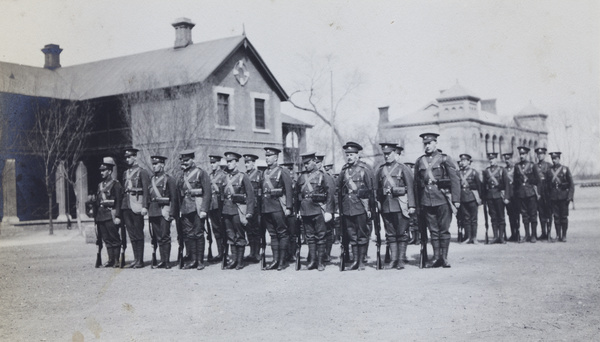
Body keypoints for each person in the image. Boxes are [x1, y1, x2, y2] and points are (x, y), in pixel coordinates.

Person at [413, 133, 460, 268]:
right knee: (433, 230)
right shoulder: (419, 161)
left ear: (435, 143)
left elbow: (455, 180)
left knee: (444, 229)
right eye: (425, 144)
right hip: (426, 200)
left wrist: (456, 199)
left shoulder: (444, 159)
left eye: (429, 143)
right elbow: (416, 184)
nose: (427, 146)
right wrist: (417, 203)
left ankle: (444, 258)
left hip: (443, 198)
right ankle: (436, 257)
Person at [375, 143, 415, 269]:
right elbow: (377, 189)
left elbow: (410, 188)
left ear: (395, 153)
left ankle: (401, 259)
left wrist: (412, 205)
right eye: (385, 154)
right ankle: (393, 260)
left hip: (400, 204)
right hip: (386, 206)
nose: (387, 156)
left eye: (389, 153)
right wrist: (377, 204)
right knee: (390, 234)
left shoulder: (403, 168)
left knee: (402, 233)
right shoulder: (380, 169)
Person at [337, 141, 375, 270]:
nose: (349, 157)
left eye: (352, 154)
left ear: (357, 155)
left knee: (362, 234)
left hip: (360, 206)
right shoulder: (344, 170)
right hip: (347, 207)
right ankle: (355, 261)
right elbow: (338, 190)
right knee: (352, 235)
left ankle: (361, 262)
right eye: (347, 154)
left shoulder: (365, 169)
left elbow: (371, 190)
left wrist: (370, 208)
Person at [295, 152, 334, 271]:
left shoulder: (323, 176)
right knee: (309, 237)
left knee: (321, 236)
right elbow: (297, 194)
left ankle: (321, 262)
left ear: (314, 161)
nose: (306, 166)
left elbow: (330, 194)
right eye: (304, 164)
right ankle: (312, 261)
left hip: (318, 209)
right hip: (305, 210)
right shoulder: (301, 177)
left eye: (308, 163)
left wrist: (329, 211)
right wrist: (297, 210)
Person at [177, 149, 212, 270]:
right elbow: (178, 193)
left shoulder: (200, 173)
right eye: (183, 161)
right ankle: (192, 260)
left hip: (197, 207)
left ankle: (200, 261)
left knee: (198, 233)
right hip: (186, 208)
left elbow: (207, 192)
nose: (185, 163)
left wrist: (204, 210)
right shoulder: (181, 175)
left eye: (187, 160)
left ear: (193, 160)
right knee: (189, 234)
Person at [221, 152, 255, 270]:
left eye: (231, 161)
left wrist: (249, 212)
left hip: (238, 210)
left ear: (236, 162)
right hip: (226, 210)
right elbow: (222, 195)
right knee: (230, 235)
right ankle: (234, 260)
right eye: (228, 161)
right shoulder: (224, 177)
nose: (229, 164)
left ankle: (240, 261)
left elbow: (250, 195)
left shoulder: (243, 176)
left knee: (240, 235)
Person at [261, 147, 293, 270]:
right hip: (266, 207)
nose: (267, 158)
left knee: (282, 233)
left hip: (278, 207)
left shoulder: (282, 171)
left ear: (276, 158)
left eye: (269, 156)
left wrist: (289, 207)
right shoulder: (264, 173)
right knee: (273, 235)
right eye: (266, 156)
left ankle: (282, 261)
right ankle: (275, 260)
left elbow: (288, 190)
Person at [120, 148, 151, 268]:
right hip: (126, 205)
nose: (127, 159)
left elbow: (146, 191)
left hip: (137, 205)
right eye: (126, 157)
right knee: (131, 234)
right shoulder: (125, 173)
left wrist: (145, 206)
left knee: (138, 232)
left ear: (135, 157)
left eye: (130, 157)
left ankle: (140, 260)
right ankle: (135, 258)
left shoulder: (142, 172)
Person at [147, 155, 178, 269]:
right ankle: (162, 260)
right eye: (153, 164)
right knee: (158, 237)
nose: (154, 166)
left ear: (162, 165)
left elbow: (174, 198)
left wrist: (172, 213)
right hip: (153, 210)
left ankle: (167, 261)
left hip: (164, 210)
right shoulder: (151, 180)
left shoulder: (169, 179)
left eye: (157, 164)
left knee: (165, 236)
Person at [95, 157, 123, 268]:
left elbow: (119, 201)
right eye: (101, 171)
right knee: (106, 239)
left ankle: (116, 260)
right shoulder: (100, 185)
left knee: (114, 238)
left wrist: (117, 216)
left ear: (110, 171)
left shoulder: (116, 184)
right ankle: (110, 260)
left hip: (110, 214)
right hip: (101, 215)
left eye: (104, 170)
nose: (102, 173)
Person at [545, 152, 574, 242]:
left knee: (563, 217)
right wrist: (548, 198)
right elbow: (547, 186)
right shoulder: (549, 171)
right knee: (556, 217)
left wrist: (570, 196)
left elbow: (571, 185)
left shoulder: (565, 169)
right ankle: (558, 235)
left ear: (559, 159)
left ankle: (564, 235)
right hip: (553, 197)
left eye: (555, 158)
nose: (554, 160)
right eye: (552, 159)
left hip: (564, 197)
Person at [482, 152, 511, 244]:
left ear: (496, 160)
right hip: (490, 196)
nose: (491, 161)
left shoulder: (502, 170)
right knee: (493, 217)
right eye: (490, 159)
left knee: (501, 217)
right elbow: (484, 185)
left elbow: (506, 184)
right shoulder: (486, 171)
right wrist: (484, 198)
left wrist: (506, 197)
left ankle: (501, 237)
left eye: (493, 159)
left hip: (499, 195)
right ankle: (495, 236)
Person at [513, 146, 541, 242]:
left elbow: (537, 180)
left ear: (527, 154)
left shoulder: (532, 165)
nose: (521, 156)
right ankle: (527, 235)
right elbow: (515, 181)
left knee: (533, 214)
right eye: (520, 154)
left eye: (523, 154)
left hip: (531, 193)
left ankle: (533, 235)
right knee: (524, 215)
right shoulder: (517, 166)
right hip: (521, 194)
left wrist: (529, 179)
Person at [315, 154, 337, 263]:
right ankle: (314, 255)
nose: (316, 165)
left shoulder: (327, 175)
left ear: (321, 163)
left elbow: (332, 194)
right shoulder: (311, 175)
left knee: (327, 231)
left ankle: (326, 253)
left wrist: (330, 210)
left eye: (318, 162)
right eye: (315, 162)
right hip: (313, 208)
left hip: (325, 207)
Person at [457, 154, 482, 244]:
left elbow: (479, 186)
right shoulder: (458, 173)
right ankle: (468, 237)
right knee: (466, 219)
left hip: (472, 197)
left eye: (464, 161)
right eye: (461, 161)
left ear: (468, 162)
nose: (462, 162)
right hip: (462, 198)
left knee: (474, 219)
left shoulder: (474, 172)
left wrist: (480, 198)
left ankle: (474, 237)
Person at [243, 153, 263, 263]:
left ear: (254, 163)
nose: (246, 164)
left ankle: (257, 253)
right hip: (247, 206)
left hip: (257, 207)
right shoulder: (243, 175)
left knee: (257, 230)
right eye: (245, 162)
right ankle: (251, 252)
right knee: (249, 230)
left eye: (248, 162)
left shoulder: (260, 175)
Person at [208, 155, 227, 261]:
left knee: (223, 229)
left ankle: (225, 253)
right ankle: (220, 253)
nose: (212, 165)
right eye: (211, 163)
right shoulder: (209, 176)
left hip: (221, 205)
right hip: (212, 206)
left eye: (214, 163)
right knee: (215, 229)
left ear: (219, 163)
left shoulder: (224, 175)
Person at [535, 147, 553, 241]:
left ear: (544, 155)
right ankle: (543, 232)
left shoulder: (549, 166)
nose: (540, 155)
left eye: (541, 154)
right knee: (541, 212)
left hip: (548, 192)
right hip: (539, 192)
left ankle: (549, 232)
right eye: (538, 154)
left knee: (549, 212)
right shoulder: (535, 166)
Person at [502, 152, 521, 242]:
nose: (507, 161)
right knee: (510, 215)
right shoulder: (504, 170)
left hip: (516, 195)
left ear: (512, 159)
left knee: (516, 215)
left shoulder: (516, 169)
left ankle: (517, 233)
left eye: (509, 159)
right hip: (508, 195)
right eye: (506, 159)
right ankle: (513, 233)